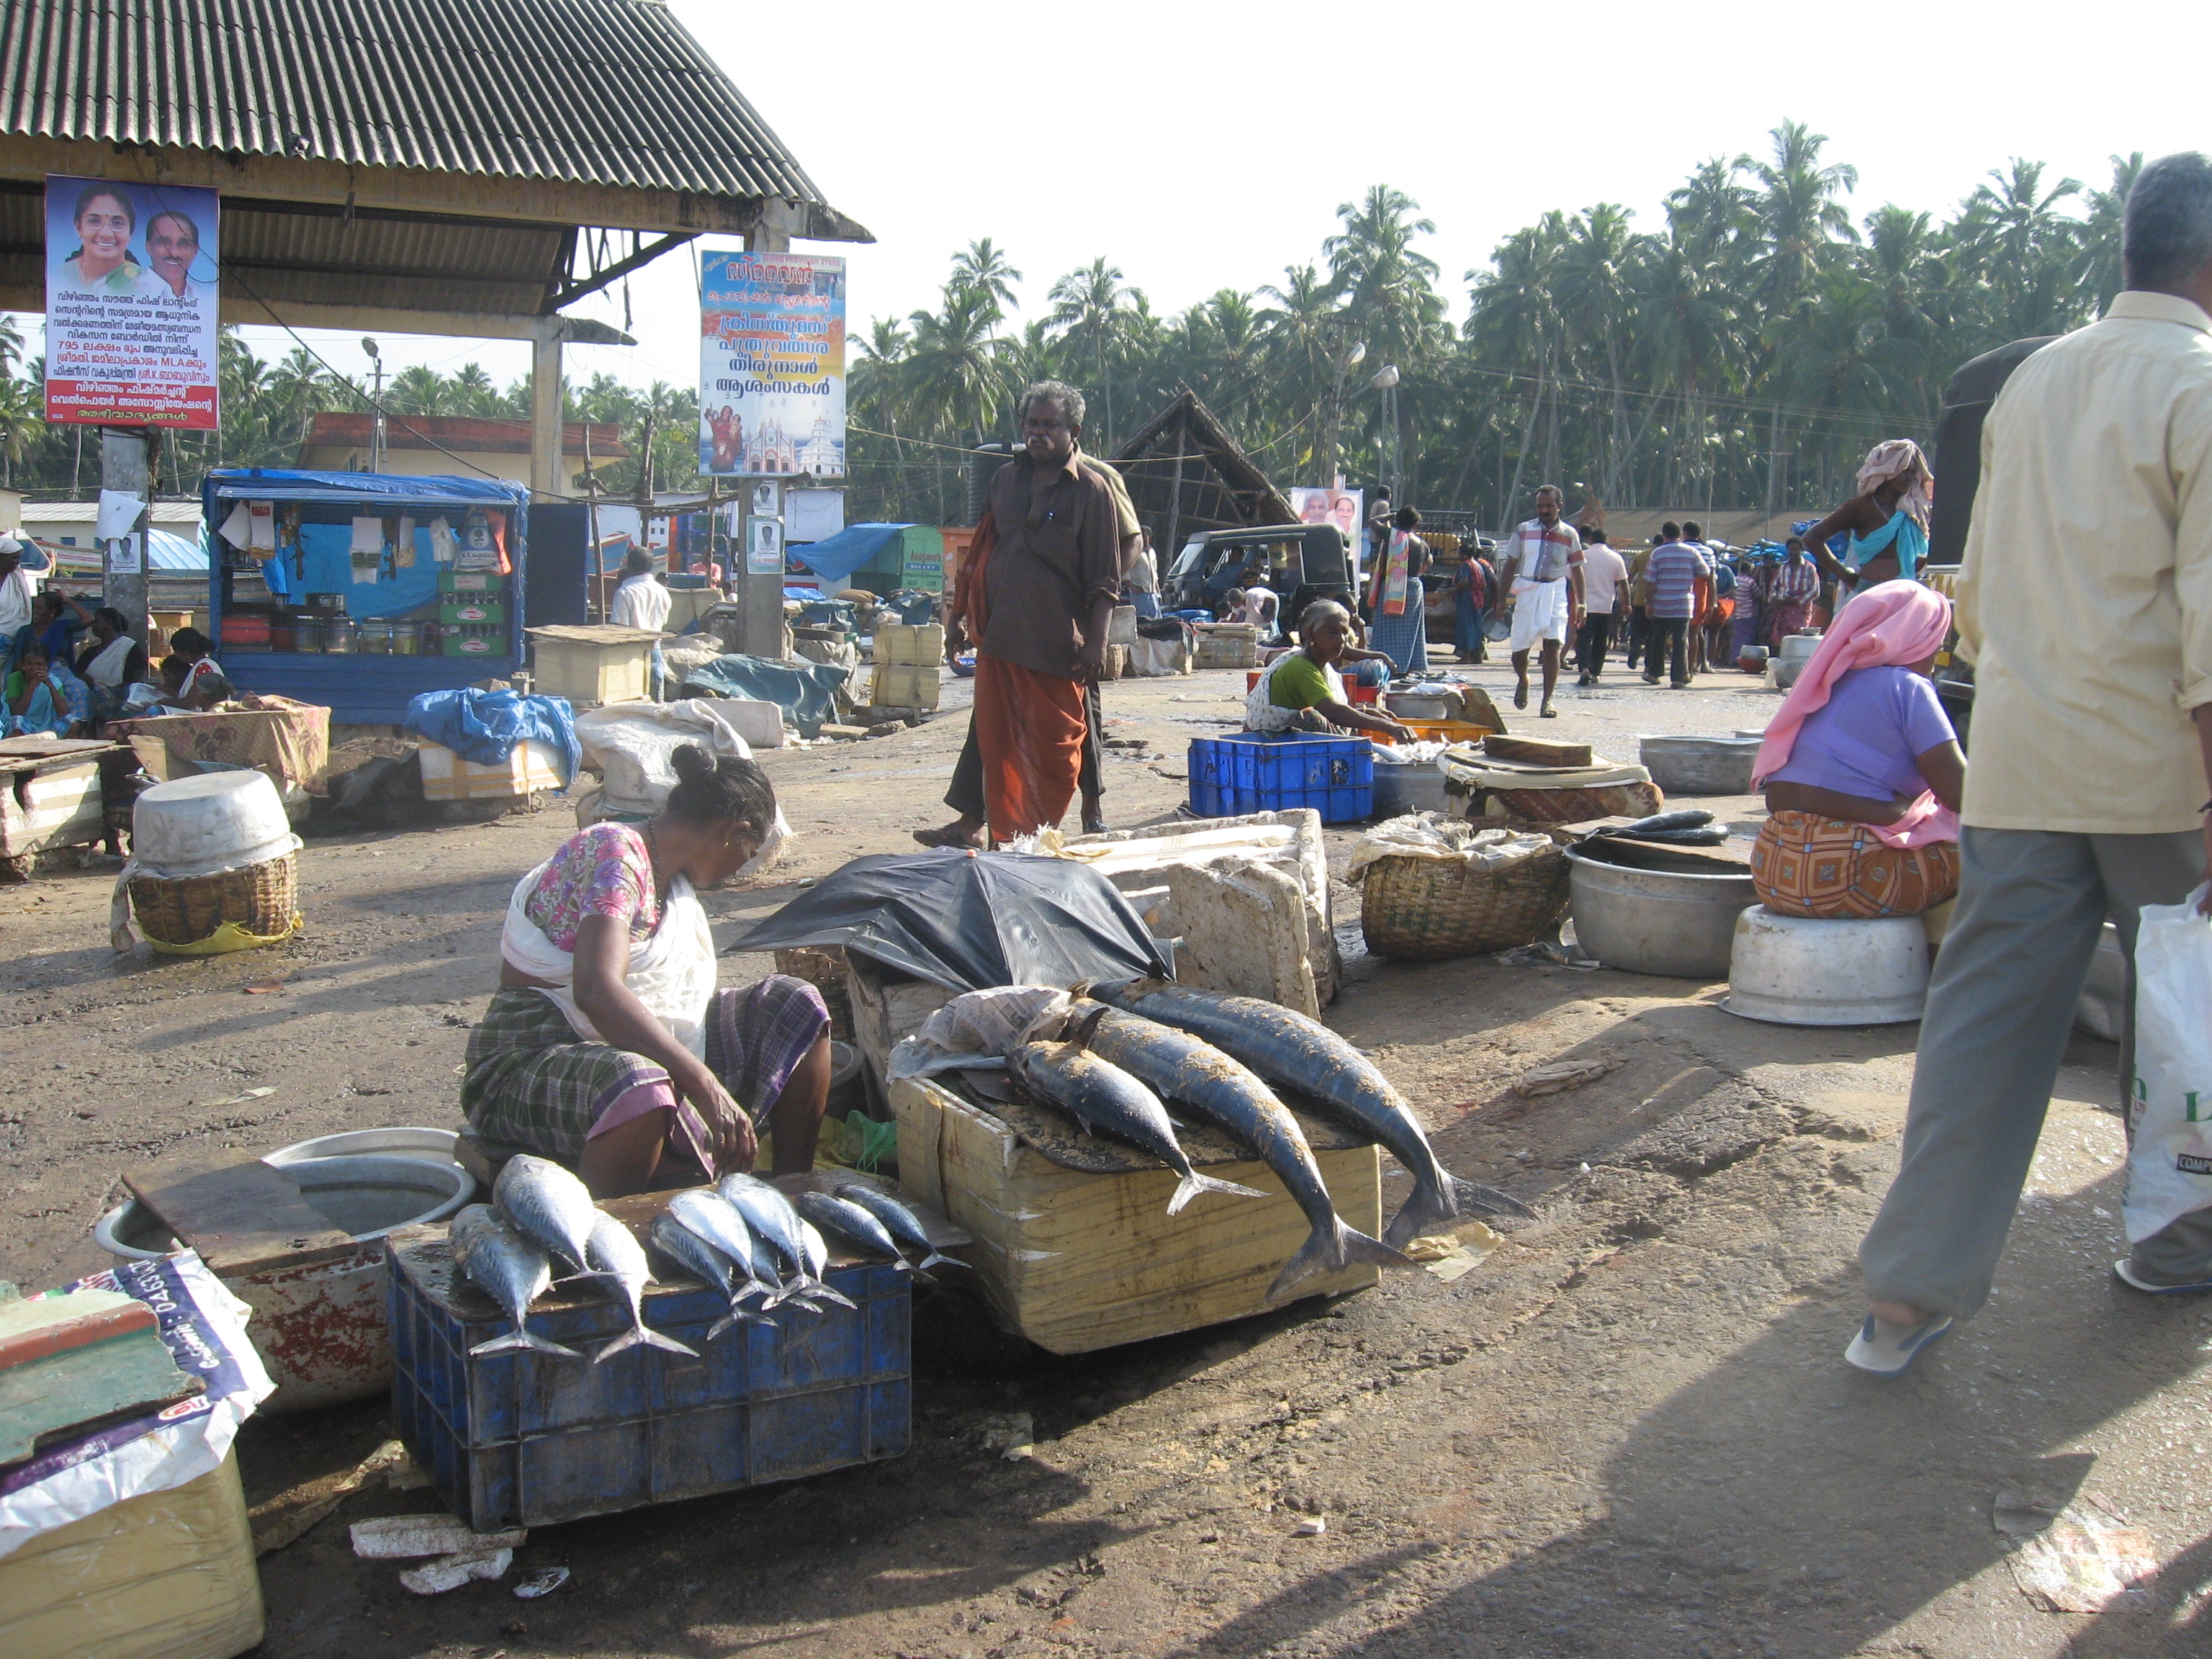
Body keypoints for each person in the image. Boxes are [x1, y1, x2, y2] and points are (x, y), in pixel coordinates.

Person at [1849, 152, 2212, 1375]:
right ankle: (2175, 1244)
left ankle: (1901, 1298)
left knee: (1985, 1026)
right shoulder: (2202, 388)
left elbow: (1981, 599)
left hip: (2017, 764)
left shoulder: (2030, 383)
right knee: (2185, 1020)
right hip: (2158, 776)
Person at [463, 745, 830, 1198]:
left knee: (794, 1003)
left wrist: (698, 1074)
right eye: (749, 852)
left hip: (620, 1051)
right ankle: (610, 1236)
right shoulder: (614, 855)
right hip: (532, 1056)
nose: (741, 867)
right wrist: (704, 1082)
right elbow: (596, 991)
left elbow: (662, 1002)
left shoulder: (665, 872)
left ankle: (789, 1192)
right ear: (731, 832)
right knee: (640, 1083)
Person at [920, 439, 1139, 849]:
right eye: (1032, 424)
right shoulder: (1006, 480)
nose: (1040, 434)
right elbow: (984, 549)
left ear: (1071, 430)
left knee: (1072, 728)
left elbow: (1124, 549)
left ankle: (1090, 815)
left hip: (1061, 636)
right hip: (1003, 633)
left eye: (1050, 424)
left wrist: (1093, 624)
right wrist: (965, 611)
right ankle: (986, 829)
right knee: (992, 732)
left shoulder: (1096, 483)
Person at [1748, 580, 1964, 920]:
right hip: (1850, 879)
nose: (1935, 657)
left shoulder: (1820, 683)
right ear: (1914, 638)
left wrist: (1894, 809)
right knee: (1985, 847)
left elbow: (1782, 797)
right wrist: (1902, 809)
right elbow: (1960, 794)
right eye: (1935, 642)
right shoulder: (1907, 687)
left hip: (1773, 871)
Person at [1244, 600, 1416, 740]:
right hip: (1268, 744)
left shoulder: (1320, 666)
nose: (1341, 639)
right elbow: (1333, 712)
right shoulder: (1300, 667)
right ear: (1311, 634)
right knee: (1313, 720)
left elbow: (1330, 707)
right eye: (1333, 632)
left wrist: (1364, 712)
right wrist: (1389, 727)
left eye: (1345, 632)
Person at [1803, 439, 1935, 615]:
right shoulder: (1860, 507)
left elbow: (1911, 558)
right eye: (1905, 472)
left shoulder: (1914, 511)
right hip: (1869, 595)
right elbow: (1812, 538)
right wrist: (1846, 576)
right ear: (1887, 473)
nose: (1910, 479)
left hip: (1906, 597)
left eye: (1913, 473)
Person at [1498, 486, 1583, 716]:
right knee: (1519, 651)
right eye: (1540, 506)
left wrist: (1581, 604)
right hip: (1528, 591)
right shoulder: (1523, 530)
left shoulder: (1569, 534)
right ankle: (1524, 680)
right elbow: (1510, 565)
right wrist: (1500, 599)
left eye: (1549, 506)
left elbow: (1577, 570)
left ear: (1559, 506)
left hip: (1555, 592)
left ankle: (1547, 701)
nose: (1544, 510)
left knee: (1553, 645)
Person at [1640, 525, 1712, 688]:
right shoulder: (1691, 552)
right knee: (1680, 641)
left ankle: (1654, 673)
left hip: (1661, 603)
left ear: (1664, 535)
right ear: (1680, 535)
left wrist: (1649, 603)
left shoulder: (1657, 553)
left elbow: (1650, 581)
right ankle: (1678, 678)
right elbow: (1705, 573)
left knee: (1658, 640)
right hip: (1683, 604)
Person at [1363, 506, 1431, 675]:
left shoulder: (1391, 536)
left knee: (1387, 629)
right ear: (1416, 524)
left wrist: (1390, 515)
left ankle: (1387, 665)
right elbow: (1428, 562)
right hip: (1413, 587)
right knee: (1410, 630)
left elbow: (1373, 522)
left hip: (1392, 588)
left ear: (1397, 521)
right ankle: (1410, 666)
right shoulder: (1421, 544)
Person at [57, 184, 160, 295]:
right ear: (78, 227)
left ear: (131, 232)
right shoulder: (59, 277)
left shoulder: (147, 286)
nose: (106, 234)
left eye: (118, 223)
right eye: (94, 221)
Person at [73, 607, 147, 727]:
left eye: (97, 621)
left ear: (109, 623)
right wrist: (83, 678)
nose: (93, 625)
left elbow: (138, 677)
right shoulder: (90, 652)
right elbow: (77, 673)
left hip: (120, 696)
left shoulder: (130, 648)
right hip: (93, 695)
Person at [1573, 529, 1629, 686]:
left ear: (1591, 539)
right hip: (1606, 606)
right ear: (1607, 540)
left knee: (1583, 638)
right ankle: (1596, 673)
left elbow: (1571, 577)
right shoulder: (1615, 557)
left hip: (1585, 605)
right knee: (1600, 640)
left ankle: (1584, 667)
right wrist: (1627, 603)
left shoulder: (1583, 555)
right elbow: (1623, 582)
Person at [5, 644, 76, 737]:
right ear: (23, 665)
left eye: (39, 664)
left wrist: (50, 685)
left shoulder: (54, 682)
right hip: (21, 724)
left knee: (73, 722)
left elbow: (63, 713)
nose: (34, 668)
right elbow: (16, 712)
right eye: (30, 663)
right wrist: (32, 686)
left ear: (46, 666)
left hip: (45, 726)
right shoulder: (15, 678)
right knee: (18, 722)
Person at [1764, 537, 1822, 648]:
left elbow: (1815, 591)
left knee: (1799, 640)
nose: (1793, 553)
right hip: (1784, 609)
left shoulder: (1810, 568)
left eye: (1796, 550)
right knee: (1783, 641)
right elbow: (1773, 588)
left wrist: (1797, 600)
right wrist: (1775, 599)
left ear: (1801, 550)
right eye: (1791, 550)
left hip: (1801, 611)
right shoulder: (1783, 568)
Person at [12, 589, 91, 667]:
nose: (34, 611)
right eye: (34, 608)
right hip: (30, 677)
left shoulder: (63, 628)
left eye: (39, 608)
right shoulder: (25, 631)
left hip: (61, 677)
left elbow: (89, 619)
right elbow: (18, 662)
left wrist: (67, 600)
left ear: (52, 612)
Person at [609, 547, 672, 633]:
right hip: (656, 644)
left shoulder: (624, 593)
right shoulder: (663, 592)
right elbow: (663, 622)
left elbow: (619, 630)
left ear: (629, 566)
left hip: (632, 645)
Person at [143, 209, 202, 301]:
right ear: (148, 247)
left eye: (183, 243)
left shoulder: (205, 297)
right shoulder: (125, 291)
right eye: (164, 242)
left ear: (195, 251)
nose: (174, 253)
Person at [1451, 544, 1491, 664]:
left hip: (1467, 598)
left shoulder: (1466, 565)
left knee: (1466, 627)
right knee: (1476, 627)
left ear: (1464, 554)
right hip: (1478, 599)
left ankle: (1466, 657)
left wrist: (1453, 591)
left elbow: (1464, 581)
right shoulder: (1478, 565)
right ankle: (1477, 656)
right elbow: (1484, 584)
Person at [1122, 528, 1161, 619]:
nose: (1142, 539)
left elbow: (1154, 573)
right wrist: (1133, 587)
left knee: (1156, 622)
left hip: (1153, 594)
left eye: (1144, 536)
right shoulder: (1134, 552)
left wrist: (1158, 592)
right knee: (1143, 621)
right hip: (1140, 593)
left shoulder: (1152, 552)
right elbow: (1124, 572)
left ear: (1149, 538)